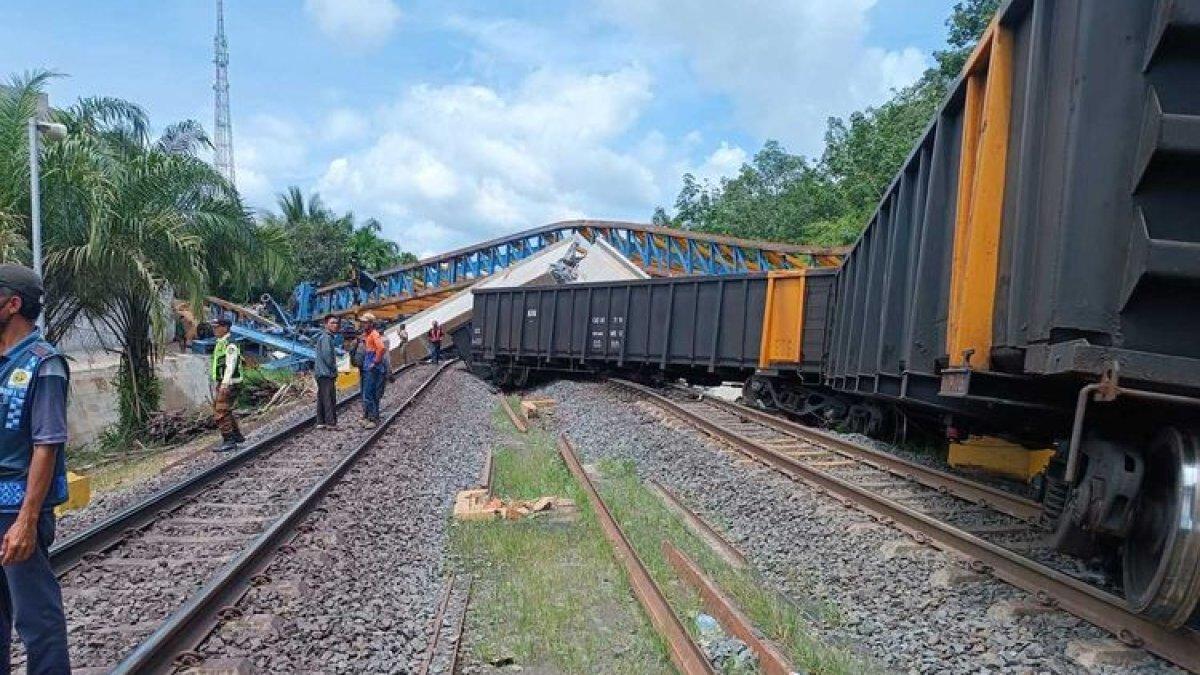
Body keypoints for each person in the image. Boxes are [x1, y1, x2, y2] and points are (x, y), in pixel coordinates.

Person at [0, 264, 71, 673]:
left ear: (12, 304)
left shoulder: (44, 364)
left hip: (18, 511)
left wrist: (27, 520)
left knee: (35, 617)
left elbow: (47, 445)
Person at [210, 318, 244, 452]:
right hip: (224, 382)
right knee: (225, 409)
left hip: (230, 383)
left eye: (216, 327)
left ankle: (229, 440)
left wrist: (224, 384)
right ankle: (236, 436)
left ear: (225, 328)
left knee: (221, 411)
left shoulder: (230, 345)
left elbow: (231, 365)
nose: (214, 330)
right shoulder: (221, 343)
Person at [359, 313, 387, 429]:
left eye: (365, 322)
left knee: (369, 394)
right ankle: (370, 417)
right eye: (362, 322)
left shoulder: (374, 334)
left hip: (372, 369)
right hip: (369, 367)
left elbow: (381, 348)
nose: (363, 324)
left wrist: (374, 362)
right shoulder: (368, 335)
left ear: (371, 323)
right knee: (370, 393)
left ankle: (373, 419)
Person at [314, 315, 339, 430]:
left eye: (336, 323)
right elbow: (327, 356)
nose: (335, 325)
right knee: (329, 398)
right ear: (326, 325)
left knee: (322, 397)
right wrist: (334, 369)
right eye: (332, 323)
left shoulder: (324, 337)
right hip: (326, 373)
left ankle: (321, 421)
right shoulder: (326, 338)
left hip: (321, 373)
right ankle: (330, 422)